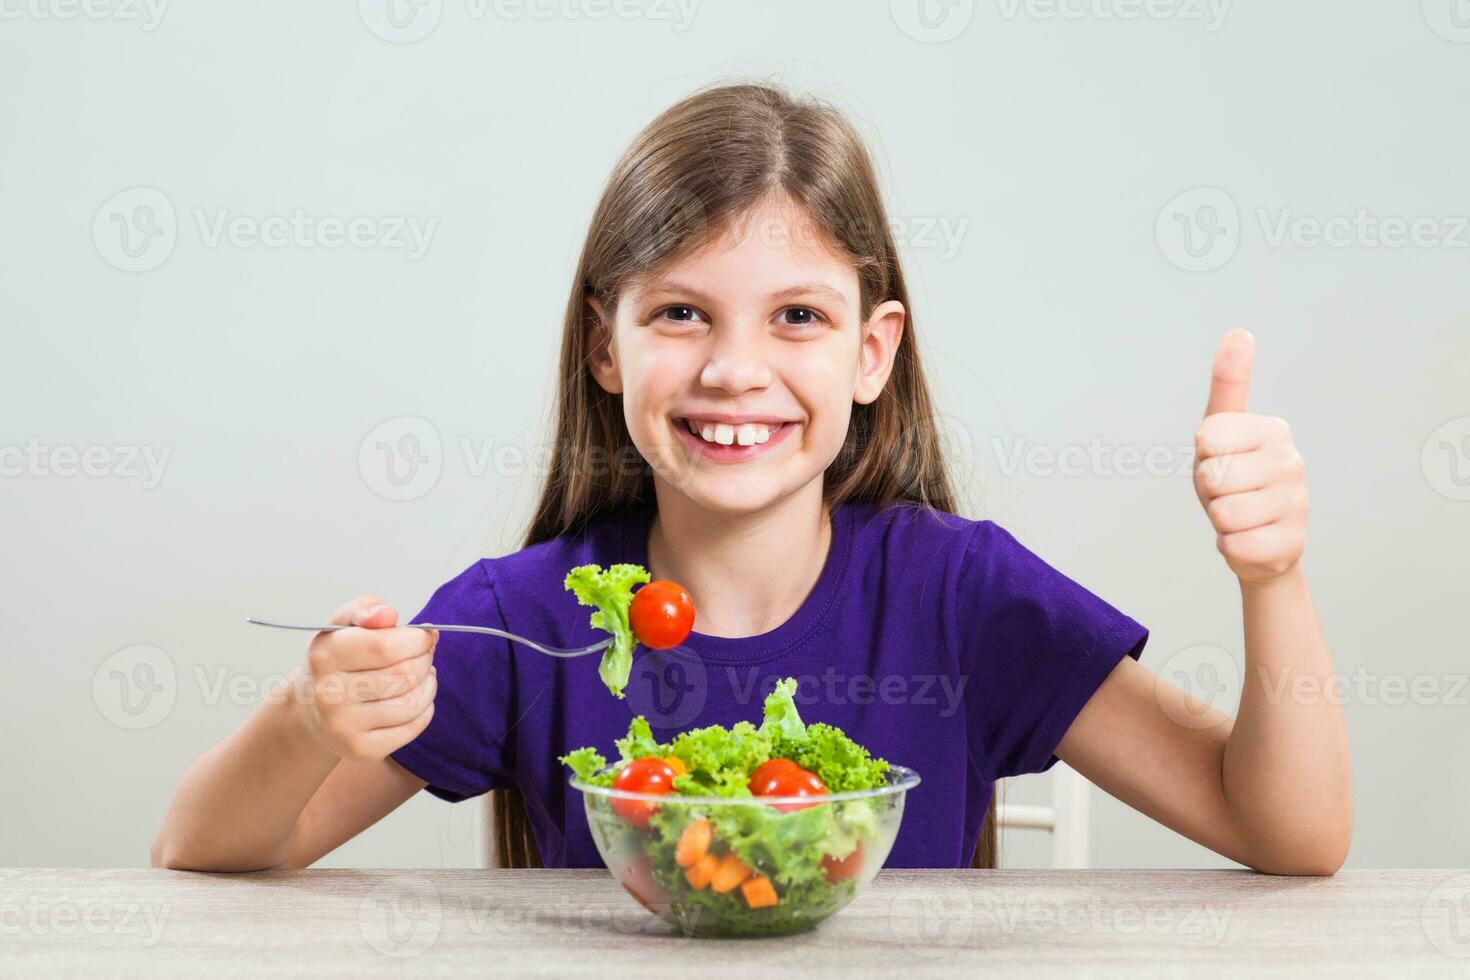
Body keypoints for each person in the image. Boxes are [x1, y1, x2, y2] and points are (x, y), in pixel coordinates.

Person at [152, 82, 1351, 875]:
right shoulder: (528, 620)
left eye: (796, 316)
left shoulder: (960, 594)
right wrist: (310, 719)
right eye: (680, 311)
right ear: (606, 348)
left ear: (872, 352)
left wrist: (1275, 576)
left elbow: (1289, 831)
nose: (735, 369)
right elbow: (199, 854)